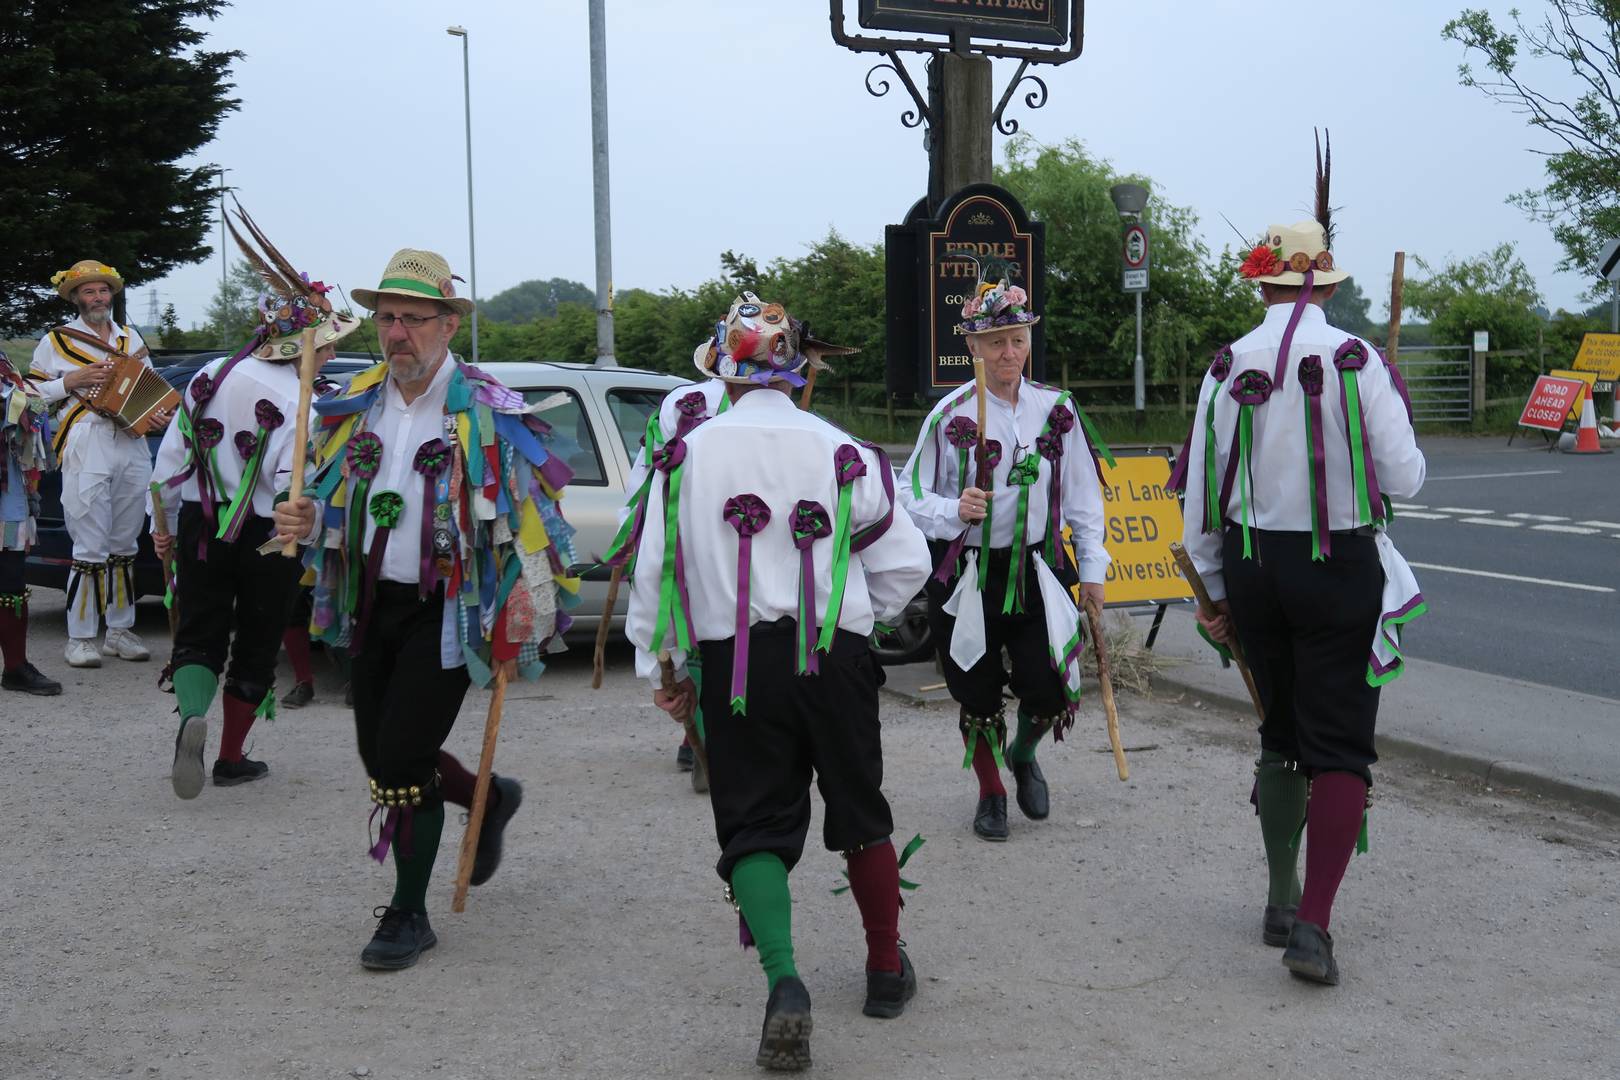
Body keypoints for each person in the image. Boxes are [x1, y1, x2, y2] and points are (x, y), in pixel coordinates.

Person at [626, 292, 930, 1070]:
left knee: (756, 822)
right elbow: (906, 564)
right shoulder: (845, 449)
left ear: (724, 373)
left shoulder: (685, 453)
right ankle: (885, 969)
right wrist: (857, 622)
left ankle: (786, 983)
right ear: (797, 373)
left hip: (738, 665)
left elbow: (657, 572)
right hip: (835, 656)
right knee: (860, 810)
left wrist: (662, 666)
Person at [272, 248, 578, 971]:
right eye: (387, 318)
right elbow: (329, 497)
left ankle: (409, 914)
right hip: (367, 600)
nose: (397, 332)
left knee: (404, 760)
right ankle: (488, 798)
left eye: (413, 318)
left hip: (448, 609)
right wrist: (306, 519)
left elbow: (529, 516)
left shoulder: (486, 409)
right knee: (376, 753)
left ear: (447, 325)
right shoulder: (355, 401)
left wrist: (524, 604)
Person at [1176, 213, 1426, 986]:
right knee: (1340, 745)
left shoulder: (1225, 366)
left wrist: (1213, 590)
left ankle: (1280, 900)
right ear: (1324, 285)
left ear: (1264, 286)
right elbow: (1407, 478)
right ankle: (1312, 928)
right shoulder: (1359, 360)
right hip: (1339, 566)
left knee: (1280, 730)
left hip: (1253, 567)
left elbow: (1201, 495)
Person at [152, 207, 362, 797]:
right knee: (257, 640)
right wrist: (312, 525)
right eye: (326, 345)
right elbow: (298, 485)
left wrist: (158, 525)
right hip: (272, 533)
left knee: (198, 632)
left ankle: (193, 717)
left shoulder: (209, 375)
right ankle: (229, 757)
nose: (329, 356)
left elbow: (170, 460)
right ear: (302, 345)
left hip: (200, 521)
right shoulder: (304, 401)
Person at [897, 277, 1111, 842]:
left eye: (1017, 340)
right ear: (973, 346)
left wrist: (1092, 569)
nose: (1009, 353)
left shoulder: (1057, 409)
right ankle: (991, 791)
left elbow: (1084, 496)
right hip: (968, 574)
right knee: (977, 690)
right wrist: (954, 509)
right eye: (995, 343)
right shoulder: (949, 415)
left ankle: (1023, 754)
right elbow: (907, 495)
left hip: (1038, 569)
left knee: (1050, 685)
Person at [31, 260, 174, 667]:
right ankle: (79, 638)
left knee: (125, 543)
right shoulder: (57, 341)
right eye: (89, 292)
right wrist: (69, 382)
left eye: (103, 290)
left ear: (112, 295)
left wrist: (157, 417)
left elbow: (151, 389)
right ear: (76, 298)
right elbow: (30, 393)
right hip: (87, 440)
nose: (98, 298)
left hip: (131, 442)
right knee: (90, 544)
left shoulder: (131, 338)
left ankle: (119, 631)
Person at [607, 375, 727, 790]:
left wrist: (632, 534)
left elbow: (642, 483)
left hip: (679, 544)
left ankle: (701, 742)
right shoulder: (781, 411)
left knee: (694, 641)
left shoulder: (680, 401)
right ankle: (709, 743)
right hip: (731, 550)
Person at [0, 347, 62, 695]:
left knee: (10, 579)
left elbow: (25, 405)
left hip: (8, 495)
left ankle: (15, 667)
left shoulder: (3, 364)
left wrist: (25, 401)